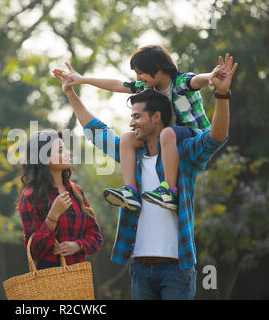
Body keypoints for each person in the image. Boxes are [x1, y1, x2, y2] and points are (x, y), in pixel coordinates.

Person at [55, 53, 237, 299]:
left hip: (176, 268)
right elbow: (97, 132)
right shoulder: (132, 157)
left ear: (156, 117)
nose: (132, 124)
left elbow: (216, 136)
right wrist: (71, 93)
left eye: (137, 116)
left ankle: (167, 191)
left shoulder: (182, 155)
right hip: (139, 268)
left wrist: (222, 94)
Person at [53, 45, 225, 213]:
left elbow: (196, 81)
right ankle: (130, 192)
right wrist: (83, 80)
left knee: (167, 133)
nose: (138, 77)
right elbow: (118, 85)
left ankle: (170, 191)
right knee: (128, 137)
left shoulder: (179, 82)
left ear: (157, 68)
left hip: (192, 134)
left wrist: (211, 76)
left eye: (140, 72)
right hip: (166, 139)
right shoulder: (148, 88)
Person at [17, 130, 102, 270]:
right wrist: (52, 216)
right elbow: (34, 251)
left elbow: (96, 236)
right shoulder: (30, 198)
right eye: (61, 150)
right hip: (50, 279)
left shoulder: (76, 191)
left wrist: (78, 245)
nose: (68, 153)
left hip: (78, 277)